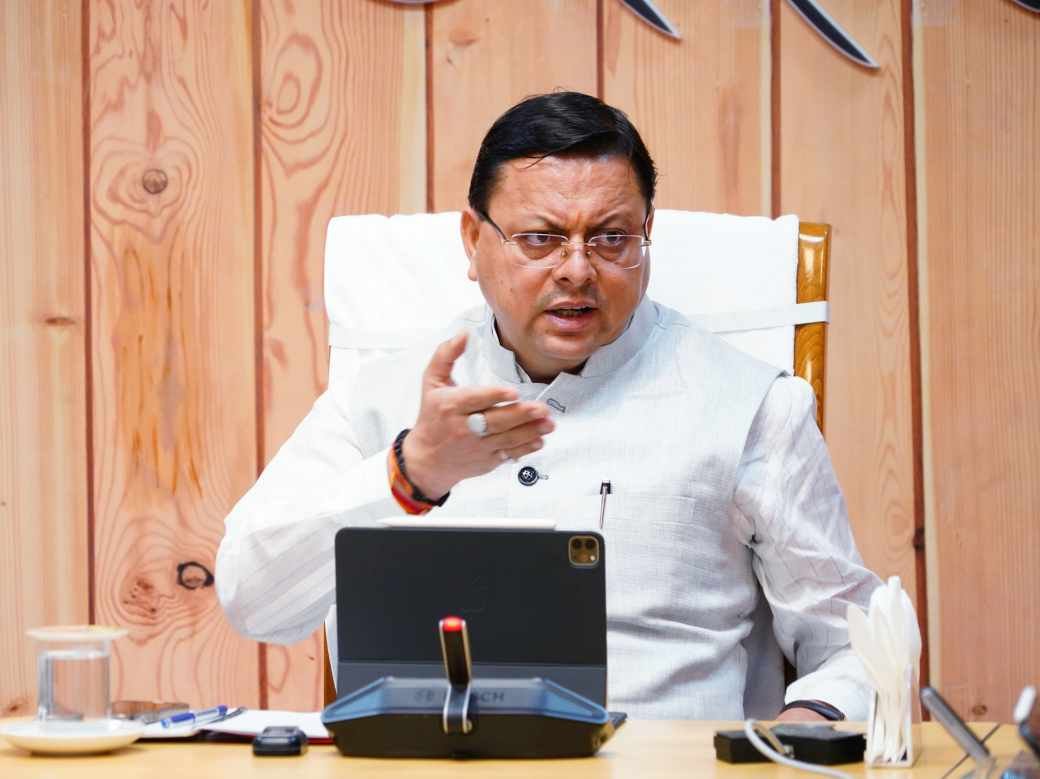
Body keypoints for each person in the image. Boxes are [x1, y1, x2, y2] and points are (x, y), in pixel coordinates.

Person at [216, 91, 881, 721]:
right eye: (540, 238)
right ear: (472, 239)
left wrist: (801, 727)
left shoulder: (752, 405)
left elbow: (852, 643)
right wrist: (408, 473)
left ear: (646, 234)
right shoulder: (381, 396)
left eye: (611, 238)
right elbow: (252, 600)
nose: (577, 270)